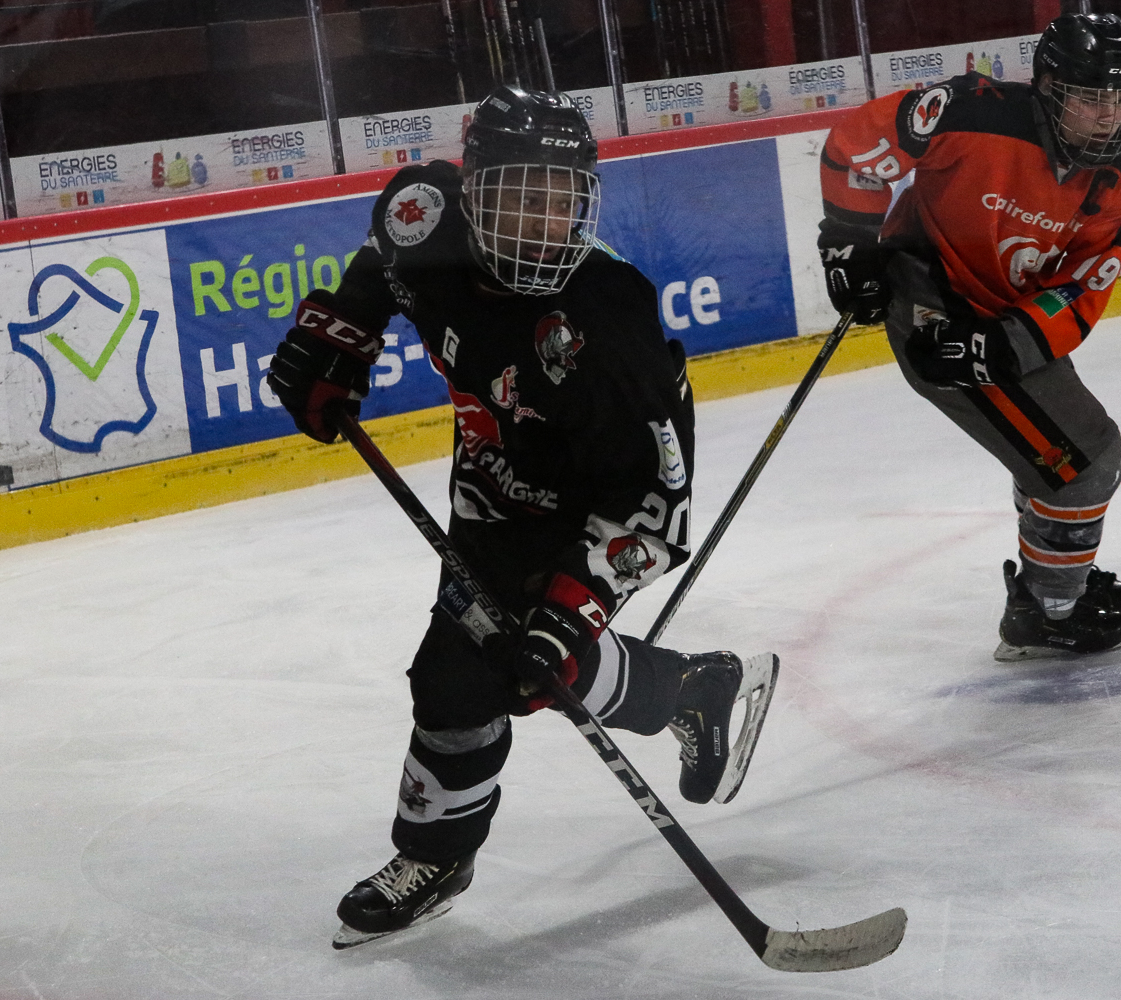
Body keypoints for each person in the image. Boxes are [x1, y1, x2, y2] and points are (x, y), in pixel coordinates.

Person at [267, 85, 776, 948]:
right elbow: (381, 268)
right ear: (474, 192)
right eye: (520, 197)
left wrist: (573, 608)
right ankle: (694, 689)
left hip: (592, 496)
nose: (544, 222)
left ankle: (438, 853)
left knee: (502, 667)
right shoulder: (424, 216)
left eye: (561, 199)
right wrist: (339, 338)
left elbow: (652, 505)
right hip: (491, 478)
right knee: (475, 673)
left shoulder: (605, 314)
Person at [816, 13, 1121, 660]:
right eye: (1090, 96)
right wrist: (850, 244)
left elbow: (1081, 286)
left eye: (1120, 96)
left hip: (1003, 317)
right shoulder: (972, 112)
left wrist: (1003, 346)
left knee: (1062, 456)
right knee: (1087, 464)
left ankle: (1051, 575)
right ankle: (1047, 611)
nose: (1109, 114)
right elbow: (858, 145)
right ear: (1048, 88)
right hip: (930, 302)